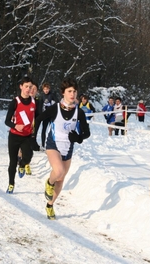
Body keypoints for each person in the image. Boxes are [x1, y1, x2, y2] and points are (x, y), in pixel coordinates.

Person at [34, 78, 90, 220]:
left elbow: (86, 133)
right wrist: (32, 138)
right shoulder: (55, 109)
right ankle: (49, 183)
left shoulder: (79, 112)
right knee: (59, 171)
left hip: (67, 147)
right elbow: (39, 119)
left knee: (61, 179)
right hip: (53, 144)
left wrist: (77, 138)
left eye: (75, 91)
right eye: (69, 91)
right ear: (63, 93)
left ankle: (50, 205)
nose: (72, 94)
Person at [4, 77, 37, 194]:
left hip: (26, 136)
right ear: (21, 87)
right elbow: (7, 121)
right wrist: (15, 126)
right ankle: (11, 184)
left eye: (30, 87)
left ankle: (22, 165)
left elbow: (37, 118)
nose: (28, 89)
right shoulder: (15, 102)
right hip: (14, 136)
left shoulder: (34, 102)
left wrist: (34, 134)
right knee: (12, 161)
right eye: (26, 86)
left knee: (28, 156)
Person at [39, 83, 58, 149]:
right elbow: (40, 105)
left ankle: (54, 144)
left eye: (47, 89)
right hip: (45, 114)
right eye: (44, 89)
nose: (46, 90)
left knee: (53, 129)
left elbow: (57, 102)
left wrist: (52, 105)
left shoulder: (52, 95)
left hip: (51, 115)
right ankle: (43, 144)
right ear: (43, 90)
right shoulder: (42, 96)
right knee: (44, 129)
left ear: (49, 89)